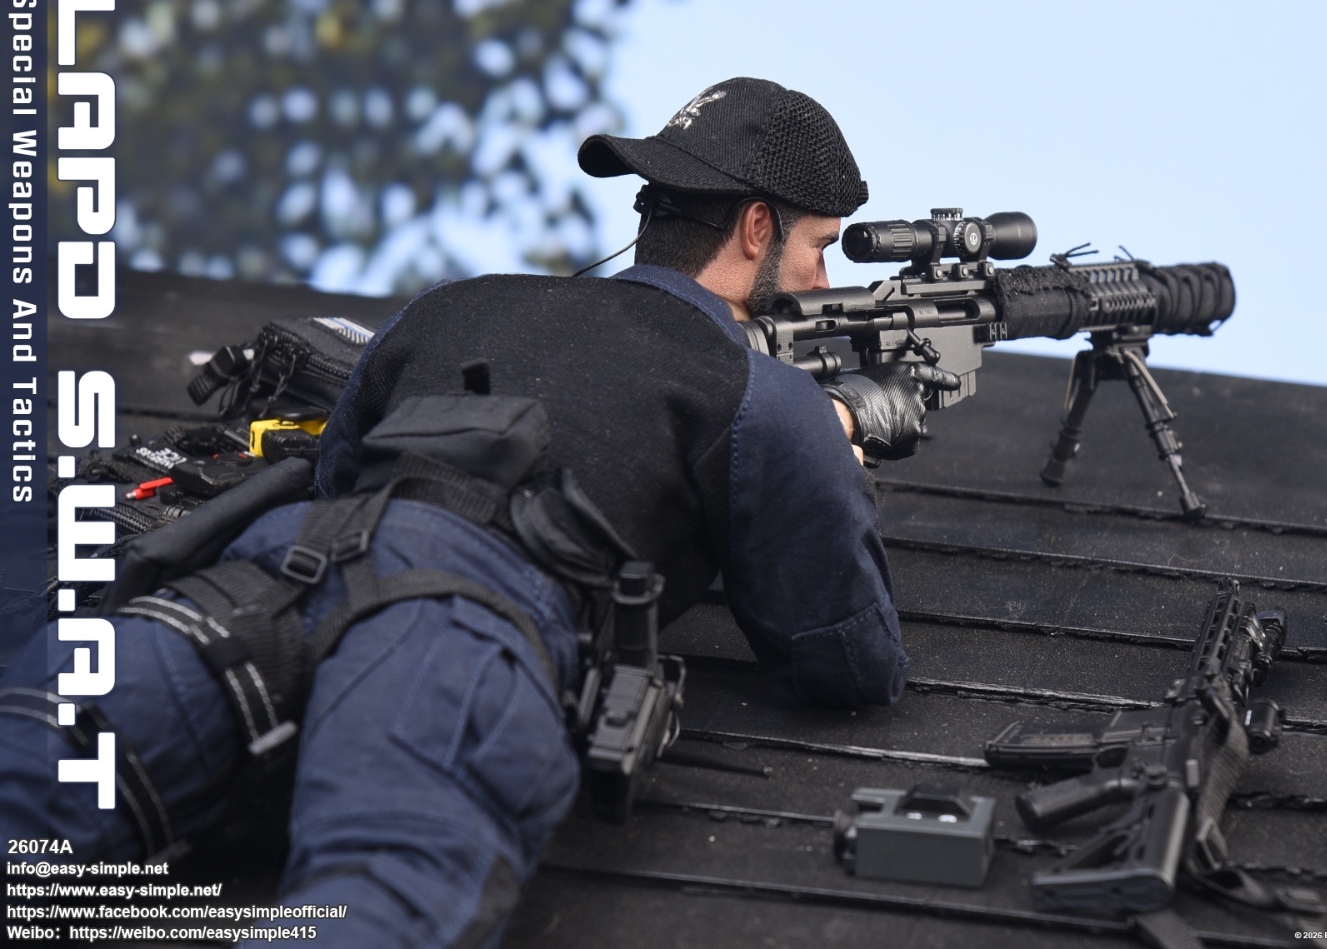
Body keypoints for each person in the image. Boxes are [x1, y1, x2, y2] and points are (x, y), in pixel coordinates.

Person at [0, 77, 954, 947]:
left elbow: (338, 472)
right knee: (378, 906)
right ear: (755, 228)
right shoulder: (762, 396)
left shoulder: (450, 304)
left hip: (264, 577)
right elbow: (849, 664)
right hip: (457, 632)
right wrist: (834, 455)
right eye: (820, 247)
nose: (823, 281)